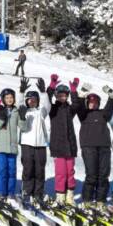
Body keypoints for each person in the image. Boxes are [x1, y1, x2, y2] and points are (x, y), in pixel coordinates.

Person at [74, 81, 113, 208]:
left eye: (95, 103)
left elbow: (111, 104)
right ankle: (87, 200)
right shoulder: (84, 114)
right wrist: (82, 94)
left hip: (104, 147)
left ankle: (101, 201)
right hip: (88, 147)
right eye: (91, 102)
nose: (93, 104)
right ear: (87, 103)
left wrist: (111, 95)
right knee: (91, 174)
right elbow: (79, 106)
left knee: (103, 175)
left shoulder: (104, 114)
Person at [45, 76, 79, 205]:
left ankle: (70, 195)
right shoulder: (52, 109)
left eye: (64, 95)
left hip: (70, 146)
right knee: (60, 173)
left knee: (70, 172)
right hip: (58, 146)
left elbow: (76, 105)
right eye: (59, 95)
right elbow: (46, 100)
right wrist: (51, 86)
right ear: (56, 96)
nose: (62, 98)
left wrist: (74, 92)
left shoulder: (70, 110)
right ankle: (60, 195)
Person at [17, 78, 50, 205]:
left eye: (34, 100)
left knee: (39, 170)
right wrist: (21, 91)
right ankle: (26, 191)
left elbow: (47, 105)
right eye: (29, 100)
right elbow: (19, 104)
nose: (32, 102)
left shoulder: (41, 112)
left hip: (41, 145)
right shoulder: (24, 111)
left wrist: (43, 92)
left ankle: (38, 193)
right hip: (27, 145)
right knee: (28, 169)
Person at [0, 88, 21, 200]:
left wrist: (23, 117)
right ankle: (0, 191)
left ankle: (11, 192)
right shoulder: (0, 110)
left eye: (11, 97)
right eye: (7, 98)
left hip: (12, 147)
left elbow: (23, 127)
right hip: (0, 147)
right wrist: (1, 119)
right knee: (2, 170)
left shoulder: (16, 111)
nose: (9, 99)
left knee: (12, 171)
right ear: (3, 99)